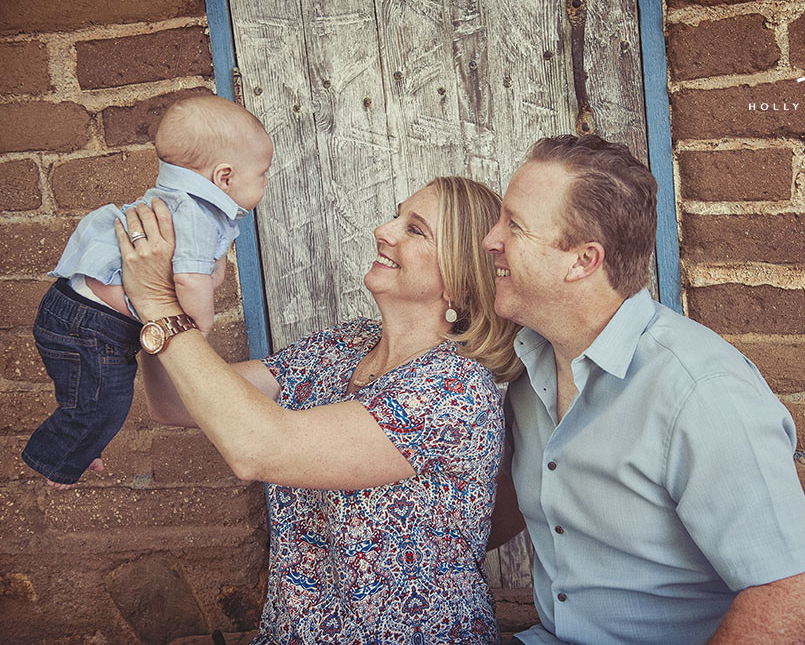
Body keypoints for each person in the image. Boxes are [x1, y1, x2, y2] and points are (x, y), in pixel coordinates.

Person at [115, 177, 523, 644]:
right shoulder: (344, 345)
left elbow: (258, 448)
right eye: (396, 215)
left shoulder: (452, 388)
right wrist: (155, 297)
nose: (383, 230)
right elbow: (173, 400)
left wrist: (160, 307)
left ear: (461, 279)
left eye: (415, 230)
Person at [483, 135, 805, 645]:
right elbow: (513, 509)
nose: (491, 239)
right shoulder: (526, 367)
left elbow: (792, 601)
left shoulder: (700, 391)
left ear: (582, 260)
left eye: (513, 225)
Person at [23, 95, 273, 488]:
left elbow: (197, 273)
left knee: (91, 402)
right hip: (92, 325)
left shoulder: (178, 202)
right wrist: (199, 326)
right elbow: (190, 280)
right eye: (262, 173)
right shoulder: (195, 214)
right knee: (103, 405)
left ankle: (79, 444)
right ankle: (56, 464)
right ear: (225, 177)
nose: (266, 182)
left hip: (78, 316)